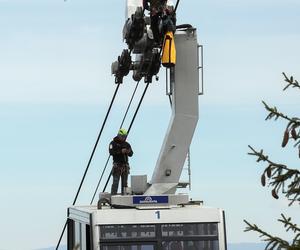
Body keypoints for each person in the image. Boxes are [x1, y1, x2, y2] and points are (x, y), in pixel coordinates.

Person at [109, 128, 133, 195]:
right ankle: (113, 197)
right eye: (122, 136)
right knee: (115, 182)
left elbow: (131, 154)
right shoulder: (113, 143)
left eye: (125, 136)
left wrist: (128, 151)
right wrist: (120, 151)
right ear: (119, 135)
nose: (124, 138)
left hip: (125, 166)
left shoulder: (126, 144)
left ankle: (124, 196)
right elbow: (111, 152)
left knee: (125, 184)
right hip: (117, 166)